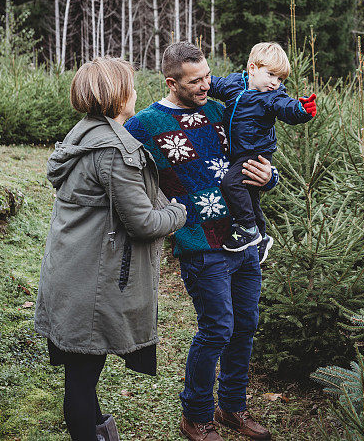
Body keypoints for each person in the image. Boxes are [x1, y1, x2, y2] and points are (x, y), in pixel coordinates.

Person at [124, 42, 276, 441]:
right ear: (172, 82)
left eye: (208, 76)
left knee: (245, 325)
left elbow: (254, 154)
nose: (206, 85)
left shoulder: (221, 110)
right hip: (200, 243)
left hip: (243, 239)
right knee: (217, 329)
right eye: (195, 81)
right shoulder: (145, 125)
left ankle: (232, 408)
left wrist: (269, 177)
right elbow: (117, 171)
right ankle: (196, 415)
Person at [34, 57, 187, 441]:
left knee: (81, 376)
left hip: (72, 271)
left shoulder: (82, 134)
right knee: (83, 380)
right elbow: (145, 223)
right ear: (119, 97)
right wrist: (179, 211)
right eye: (131, 86)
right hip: (92, 284)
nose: (136, 92)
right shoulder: (115, 152)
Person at [208, 42, 317, 256]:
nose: (275, 83)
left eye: (280, 79)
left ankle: (247, 228)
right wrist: (201, 81)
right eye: (271, 75)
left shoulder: (272, 97)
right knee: (250, 194)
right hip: (239, 151)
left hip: (256, 154)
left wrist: (302, 110)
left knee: (231, 183)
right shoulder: (234, 84)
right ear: (252, 69)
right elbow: (216, 85)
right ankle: (262, 236)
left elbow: (287, 108)